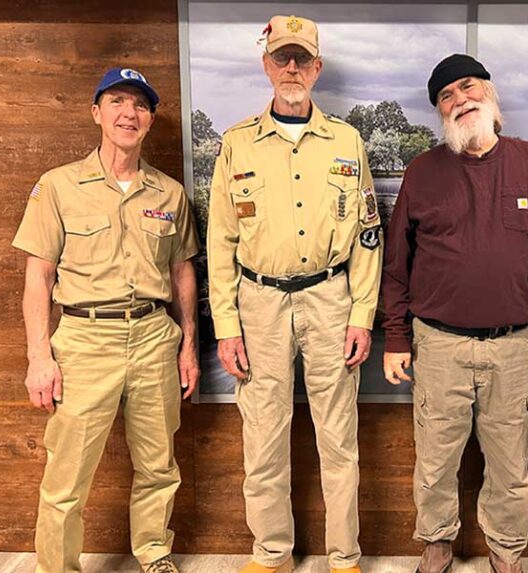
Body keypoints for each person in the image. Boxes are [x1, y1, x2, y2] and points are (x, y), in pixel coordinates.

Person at [206, 14, 382, 573]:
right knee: (262, 438)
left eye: (302, 58)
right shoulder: (236, 145)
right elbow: (219, 243)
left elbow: (367, 238)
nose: (291, 68)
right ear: (266, 65)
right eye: (282, 57)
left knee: (338, 437)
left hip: (331, 299)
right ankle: (270, 553)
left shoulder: (347, 141)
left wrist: (362, 315)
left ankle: (344, 556)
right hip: (258, 303)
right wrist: (227, 327)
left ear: (317, 68)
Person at [12, 67, 200, 573]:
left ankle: (155, 554)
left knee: (159, 464)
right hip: (83, 339)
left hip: (154, 337)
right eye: (117, 101)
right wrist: (38, 357)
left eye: (139, 105)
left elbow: (183, 275)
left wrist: (187, 348)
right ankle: (58, 567)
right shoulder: (58, 186)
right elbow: (38, 278)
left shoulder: (169, 194)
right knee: (67, 474)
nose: (128, 113)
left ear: (150, 120)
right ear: (96, 112)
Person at [381, 54, 528, 573]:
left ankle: (506, 554)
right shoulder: (423, 171)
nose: (460, 100)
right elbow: (397, 265)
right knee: (435, 462)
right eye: (446, 97)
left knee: (510, 464)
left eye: (467, 87)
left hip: (513, 344)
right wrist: (396, 338)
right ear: (440, 112)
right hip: (438, 345)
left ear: (490, 92)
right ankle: (436, 546)